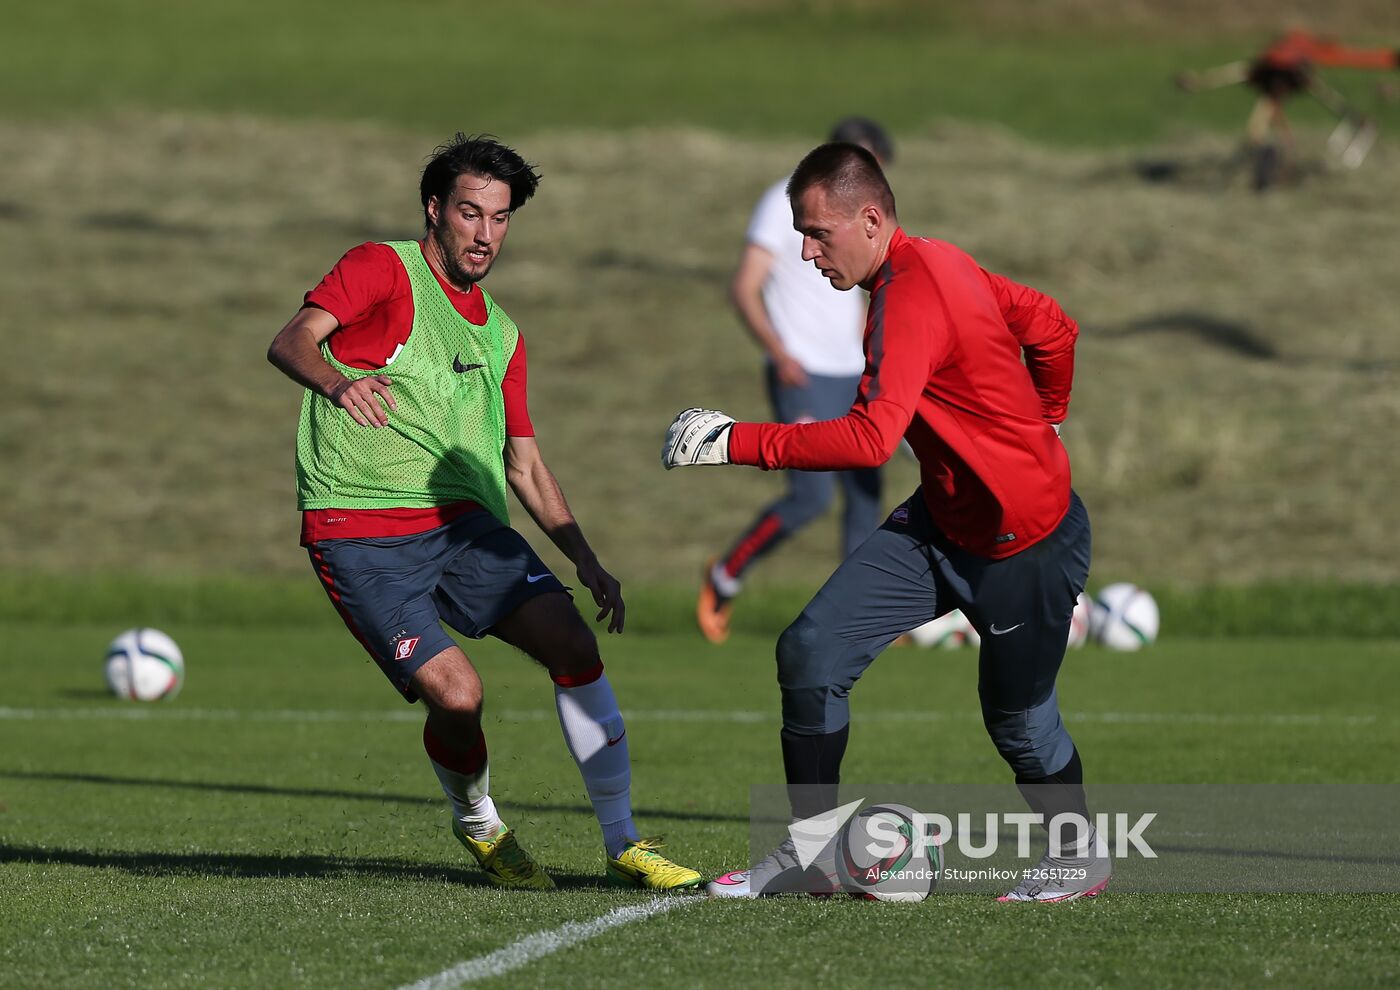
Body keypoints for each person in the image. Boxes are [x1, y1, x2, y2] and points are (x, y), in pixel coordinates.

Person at [662, 142, 1107, 903]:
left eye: (818, 234)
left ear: (870, 220)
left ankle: (1079, 855)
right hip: (943, 523)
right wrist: (1049, 416)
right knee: (809, 652)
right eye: (800, 233)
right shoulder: (941, 263)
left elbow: (870, 437)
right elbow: (1054, 329)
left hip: (1026, 546)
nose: (805, 253)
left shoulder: (909, 297)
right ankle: (809, 854)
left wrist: (735, 440)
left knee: (1019, 727)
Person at [268, 133, 700, 891]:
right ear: (435, 209)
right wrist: (336, 382)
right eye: (470, 213)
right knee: (460, 695)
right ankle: (480, 826)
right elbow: (292, 340)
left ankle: (626, 842)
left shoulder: (501, 334)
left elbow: (525, 465)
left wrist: (585, 559)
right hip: (361, 530)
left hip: (463, 530)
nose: (485, 234)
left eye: (500, 219)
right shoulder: (383, 267)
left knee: (572, 644)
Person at [697, 118, 894, 644]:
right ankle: (724, 575)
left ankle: (863, 618)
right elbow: (745, 286)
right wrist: (779, 352)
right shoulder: (782, 203)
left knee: (866, 499)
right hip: (802, 371)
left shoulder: (861, 218)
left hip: (855, 373)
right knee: (810, 497)